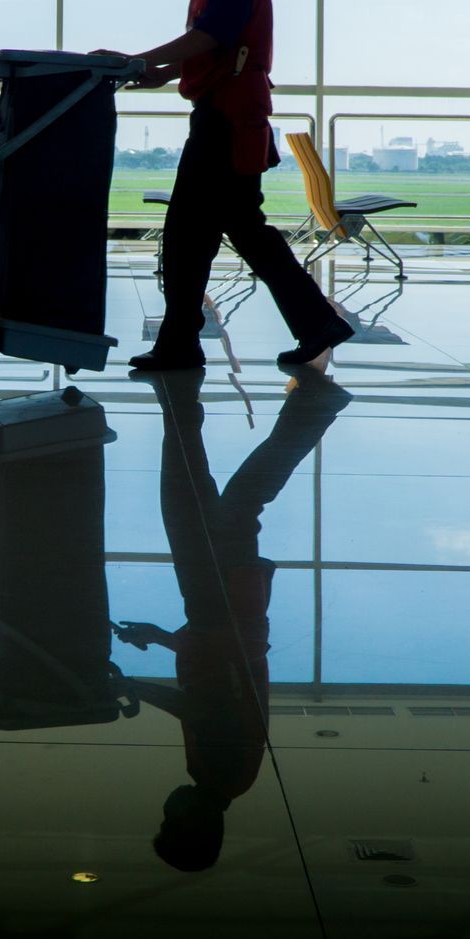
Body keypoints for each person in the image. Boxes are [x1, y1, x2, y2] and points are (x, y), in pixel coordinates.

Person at [97, 0, 353, 372]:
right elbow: (214, 45)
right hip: (228, 113)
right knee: (230, 230)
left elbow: (211, 36)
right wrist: (162, 72)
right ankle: (307, 323)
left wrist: (140, 61)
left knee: (190, 234)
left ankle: (184, 343)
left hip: (227, 120)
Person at [115, 367, 352, 870]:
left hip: (222, 615)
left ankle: (305, 405)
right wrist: (133, 686)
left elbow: (219, 687)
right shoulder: (224, 775)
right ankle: (180, 393)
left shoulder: (223, 778)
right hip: (219, 608)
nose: (164, 812)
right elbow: (202, 708)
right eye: (168, 824)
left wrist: (161, 639)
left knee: (227, 504)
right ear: (194, 827)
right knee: (191, 499)